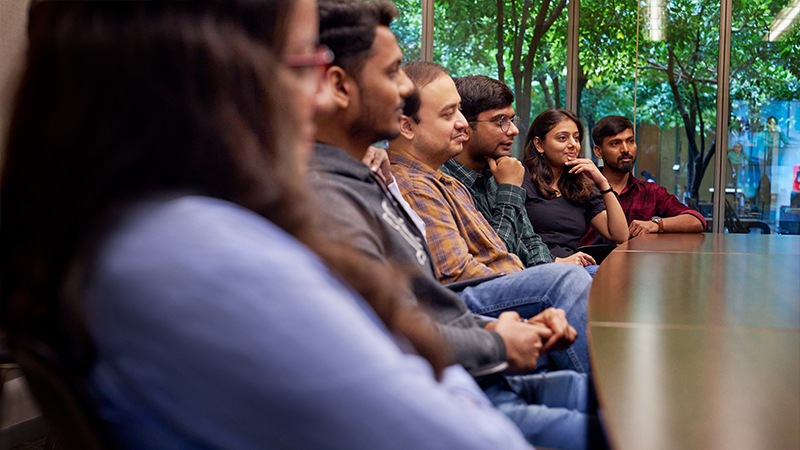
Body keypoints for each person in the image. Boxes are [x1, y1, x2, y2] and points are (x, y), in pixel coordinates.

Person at [0, 1, 536, 448]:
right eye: (303, 63)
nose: (323, 95)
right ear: (209, 77)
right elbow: (473, 440)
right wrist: (466, 359)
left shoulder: (115, 232)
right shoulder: (207, 256)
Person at [310, 7, 605, 448]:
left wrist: (496, 331)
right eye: (392, 73)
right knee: (565, 288)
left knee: (634, 402)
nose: (405, 89)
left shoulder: (381, 177)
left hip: (473, 362)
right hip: (456, 388)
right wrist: (498, 341)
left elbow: (432, 299)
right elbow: (432, 295)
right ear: (336, 85)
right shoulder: (337, 194)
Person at [441, 75, 592, 268]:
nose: (513, 130)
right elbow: (495, 259)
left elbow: (529, 238)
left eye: (512, 120)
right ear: (464, 126)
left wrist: (552, 267)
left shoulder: (495, 174)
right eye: (500, 121)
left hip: (526, 274)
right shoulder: (446, 182)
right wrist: (509, 189)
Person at [521, 109, 628, 268]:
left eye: (576, 138)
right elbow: (510, 239)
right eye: (562, 138)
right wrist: (556, 261)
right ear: (539, 144)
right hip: (534, 267)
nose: (573, 144)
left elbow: (619, 235)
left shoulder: (579, 185)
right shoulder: (521, 178)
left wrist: (602, 182)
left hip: (574, 267)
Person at [580, 116, 707, 245]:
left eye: (630, 141)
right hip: (587, 257)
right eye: (615, 143)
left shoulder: (649, 192)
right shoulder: (582, 189)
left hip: (635, 257)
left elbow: (696, 221)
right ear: (598, 151)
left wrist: (656, 225)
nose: (626, 149)